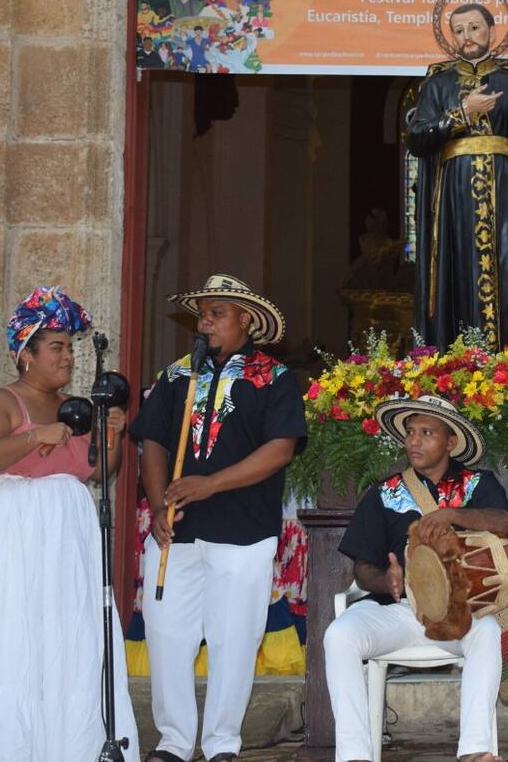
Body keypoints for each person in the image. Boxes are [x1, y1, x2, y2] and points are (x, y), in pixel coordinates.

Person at [0, 286, 140, 760]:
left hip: (65, 538)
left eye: (70, 348)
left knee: (61, 638)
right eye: (57, 347)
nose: (68, 357)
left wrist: (113, 435)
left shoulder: (76, 405)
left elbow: (99, 471)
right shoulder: (3, 401)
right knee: (10, 634)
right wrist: (33, 437)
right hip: (11, 533)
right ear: (26, 354)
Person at [131, 274, 307, 762]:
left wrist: (209, 484)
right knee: (167, 634)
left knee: (234, 639)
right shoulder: (176, 375)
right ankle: (173, 741)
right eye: (202, 314)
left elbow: (280, 449)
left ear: (245, 320)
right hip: (176, 531)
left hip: (243, 530)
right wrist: (159, 505)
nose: (204, 322)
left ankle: (222, 743)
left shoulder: (274, 377)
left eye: (216, 313)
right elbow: (152, 442)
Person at [324, 395, 508, 762]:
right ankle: (354, 755)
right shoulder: (384, 492)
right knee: (339, 635)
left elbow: (505, 522)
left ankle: (475, 751)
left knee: (487, 630)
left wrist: (451, 514)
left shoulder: (478, 483)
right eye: (411, 432)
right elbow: (362, 568)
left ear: (451, 441)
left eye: (427, 433)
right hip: (396, 610)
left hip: (457, 612)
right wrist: (387, 582)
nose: (414, 440)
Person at [406, 1, 508, 349]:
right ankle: (461, 359)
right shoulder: (438, 85)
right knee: (459, 270)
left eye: (474, 28)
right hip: (455, 195)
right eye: (459, 30)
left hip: (506, 191)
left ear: (491, 32)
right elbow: (417, 139)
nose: (467, 36)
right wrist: (463, 112)